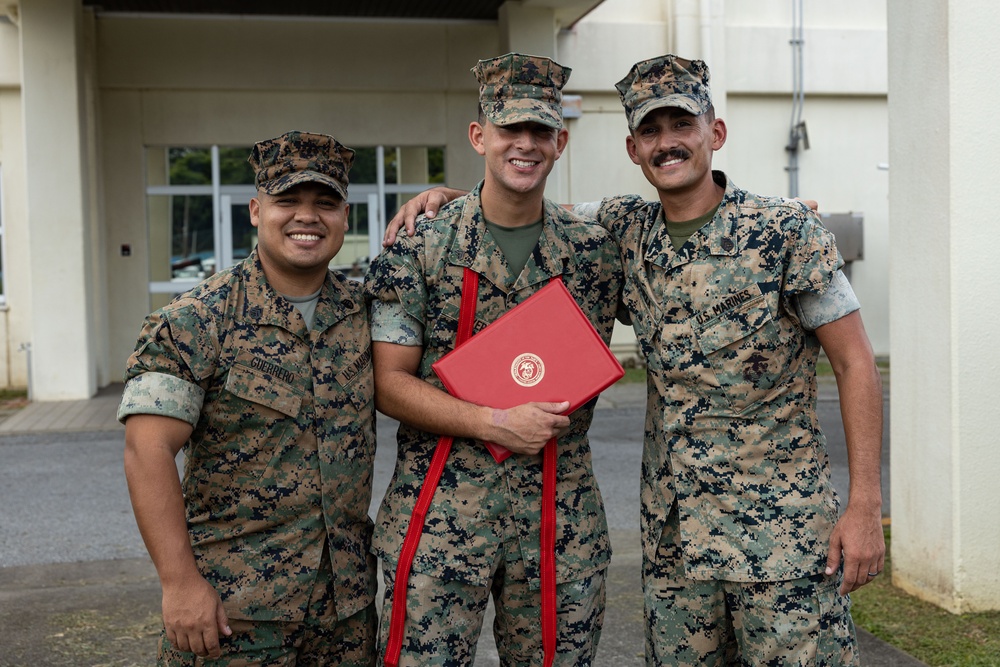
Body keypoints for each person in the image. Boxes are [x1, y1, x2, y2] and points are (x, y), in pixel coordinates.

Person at [385, 54, 885, 666]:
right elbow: (522, 206)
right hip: (675, 544)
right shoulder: (624, 232)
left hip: (779, 536)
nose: (667, 143)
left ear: (715, 133)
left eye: (683, 125)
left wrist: (865, 505)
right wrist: (448, 196)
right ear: (632, 147)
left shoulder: (784, 234)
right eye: (651, 131)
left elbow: (857, 363)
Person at [364, 53, 624, 666]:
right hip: (441, 515)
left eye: (540, 132)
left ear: (560, 142)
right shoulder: (422, 245)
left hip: (560, 523)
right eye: (511, 130)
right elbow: (389, 383)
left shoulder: (595, 250)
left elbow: (689, 243)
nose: (525, 145)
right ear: (480, 136)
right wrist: (492, 422)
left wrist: (784, 219)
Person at [120, 131, 378, 666]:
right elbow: (147, 451)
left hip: (346, 613)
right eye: (288, 201)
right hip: (233, 613)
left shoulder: (366, 314)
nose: (307, 217)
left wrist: (442, 199)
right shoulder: (196, 319)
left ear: (345, 218)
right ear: (257, 211)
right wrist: (180, 583)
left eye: (325, 203)